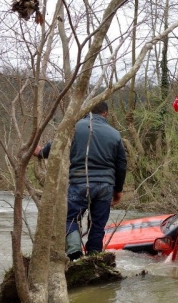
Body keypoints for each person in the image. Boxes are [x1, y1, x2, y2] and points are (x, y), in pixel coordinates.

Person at [34, 102, 127, 260]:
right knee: (97, 225)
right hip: (106, 186)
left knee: (69, 217)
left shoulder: (74, 127)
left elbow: (56, 145)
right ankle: (94, 259)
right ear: (105, 113)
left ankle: (75, 251)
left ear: (87, 111)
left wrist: (41, 152)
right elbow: (121, 165)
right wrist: (118, 190)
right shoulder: (115, 134)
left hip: (79, 182)